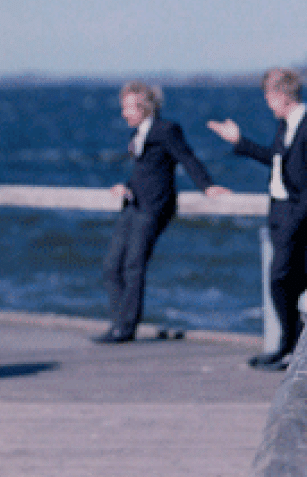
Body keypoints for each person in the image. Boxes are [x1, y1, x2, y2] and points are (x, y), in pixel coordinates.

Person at [208, 68, 307, 370]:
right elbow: (277, 159)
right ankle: (287, 347)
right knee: (287, 282)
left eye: (269, 97)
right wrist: (240, 142)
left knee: (283, 279)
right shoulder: (288, 125)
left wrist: (295, 219)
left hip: (300, 219)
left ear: (282, 96)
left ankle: (292, 347)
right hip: (282, 214)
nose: (267, 104)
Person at [97, 81, 230, 344]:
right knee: (111, 266)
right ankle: (118, 323)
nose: (124, 113)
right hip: (133, 204)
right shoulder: (137, 134)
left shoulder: (166, 130)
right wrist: (126, 186)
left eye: (128, 108)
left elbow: (186, 157)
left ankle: (125, 328)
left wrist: (207, 186)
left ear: (144, 108)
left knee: (134, 265)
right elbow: (145, 170)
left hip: (153, 207)